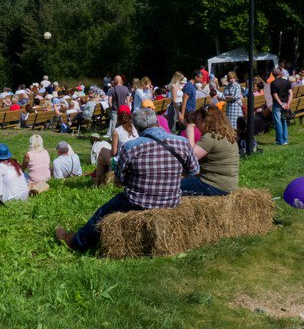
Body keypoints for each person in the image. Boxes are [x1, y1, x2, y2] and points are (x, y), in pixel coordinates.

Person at [55, 108, 199, 252]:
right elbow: (194, 171)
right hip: (171, 201)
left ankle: (77, 242)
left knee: (101, 213)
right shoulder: (182, 142)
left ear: (136, 127)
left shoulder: (132, 147)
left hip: (137, 201)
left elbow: (120, 178)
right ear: (156, 121)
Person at [180, 106, 239, 196]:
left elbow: (191, 159)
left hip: (213, 185)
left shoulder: (210, 137)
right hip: (228, 184)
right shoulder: (226, 133)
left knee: (173, 186)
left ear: (206, 120)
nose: (196, 123)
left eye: (198, 120)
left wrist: (190, 136)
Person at [270, 69, 291, 145]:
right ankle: (285, 140)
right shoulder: (287, 81)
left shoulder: (273, 83)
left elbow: (275, 95)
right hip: (285, 103)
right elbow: (291, 94)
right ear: (280, 74)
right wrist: (287, 104)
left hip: (277, 104)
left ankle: (280, 140)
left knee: (278, 122)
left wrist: (280, 104)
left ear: (273, 75)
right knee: (284, 121)